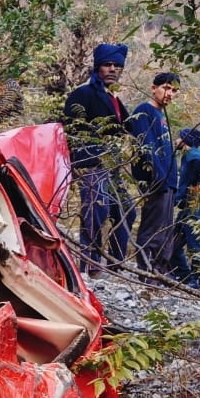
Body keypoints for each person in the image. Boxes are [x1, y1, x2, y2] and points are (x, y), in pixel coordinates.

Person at [64, 43, 132, 275]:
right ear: (98, 67)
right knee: (96, 212)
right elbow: (70, 127)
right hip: (91, 163)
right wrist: (84, 157)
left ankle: (115, 263)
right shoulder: (84, 93)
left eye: (116, 65)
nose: (112, 69)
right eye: (107, 64)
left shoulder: (113, 97)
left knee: (126, 210)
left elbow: (127, 126)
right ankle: (89, 264)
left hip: (111, 164)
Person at [129, 72, 180, 274]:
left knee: (166, 230)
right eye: (166, 88)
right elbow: (146, 146)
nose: (170, 94)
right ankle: (146, 272)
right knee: (152, 228)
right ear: (154, 88)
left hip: (168, 182)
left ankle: (160, 273)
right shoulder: (144, 110)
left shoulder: (162, 114)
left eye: (175, 91)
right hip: (155, 181)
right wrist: (157, 177)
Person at [171, 127, 200, 289]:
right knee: (173, 240)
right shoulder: (187, 156)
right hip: (189, 203)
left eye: (178, 137)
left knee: (195, 240)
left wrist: (195, 182)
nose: (175, 141)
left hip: (198, 202)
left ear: (185, 140)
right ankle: (184, 276)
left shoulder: (192, 153)